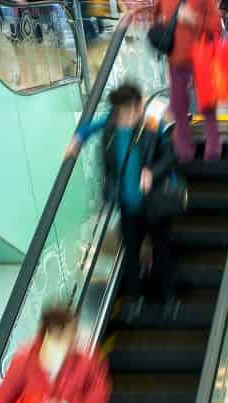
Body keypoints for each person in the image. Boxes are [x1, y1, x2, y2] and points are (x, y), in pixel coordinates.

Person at [65, 83, 178, 320]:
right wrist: (76, 141)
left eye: (128, 112)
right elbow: (88, 128)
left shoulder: (150, 126)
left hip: (154, 205)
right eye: (119, 112)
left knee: (162, 251)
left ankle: (169, 299)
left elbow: (169, 156)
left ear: (138, 108)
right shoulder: (111, 125)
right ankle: (134, 299)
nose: (123, 118)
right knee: (131, 252)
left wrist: (152, 172)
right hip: (127, 207)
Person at [155, 0, 223, 161]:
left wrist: (193, 20)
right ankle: (183, 146)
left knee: (207, 101)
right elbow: (157, 18)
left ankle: (213, 144)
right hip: (176, 58)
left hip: (201, 56)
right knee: (178, 103)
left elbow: (216, 26)